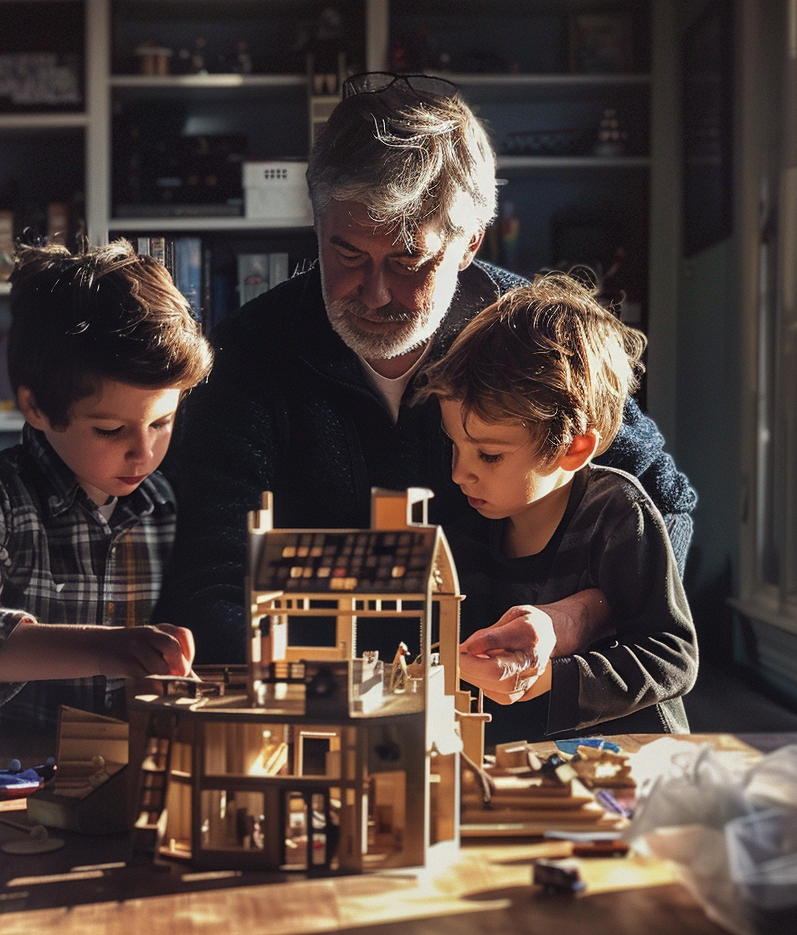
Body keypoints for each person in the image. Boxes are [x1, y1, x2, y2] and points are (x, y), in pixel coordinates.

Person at [154, 72, 696, 667]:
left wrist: (576, 617)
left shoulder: (530, 340)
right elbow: (207, 578)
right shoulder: (247, 355)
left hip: (513, 707)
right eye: (347, 253)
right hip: (313, 704)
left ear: (469, 244)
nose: (376, 293)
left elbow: (667, 508)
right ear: (317, 224)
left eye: (410, 259)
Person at [0, 238, 213, 731]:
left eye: (161, 423)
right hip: (22, 770)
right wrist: (107, 648)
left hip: (146, 760)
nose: (144, 453)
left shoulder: (170, 503)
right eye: (110, 430)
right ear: (36, 408)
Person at [420, 272, 698, 742]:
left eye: (489, 454)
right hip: (530, 763)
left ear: (572, 449)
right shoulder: (471, 523)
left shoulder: (617, 512)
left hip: (633, 757)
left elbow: (672, 656)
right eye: (455, 446)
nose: (460, 473)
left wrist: (554, 678)